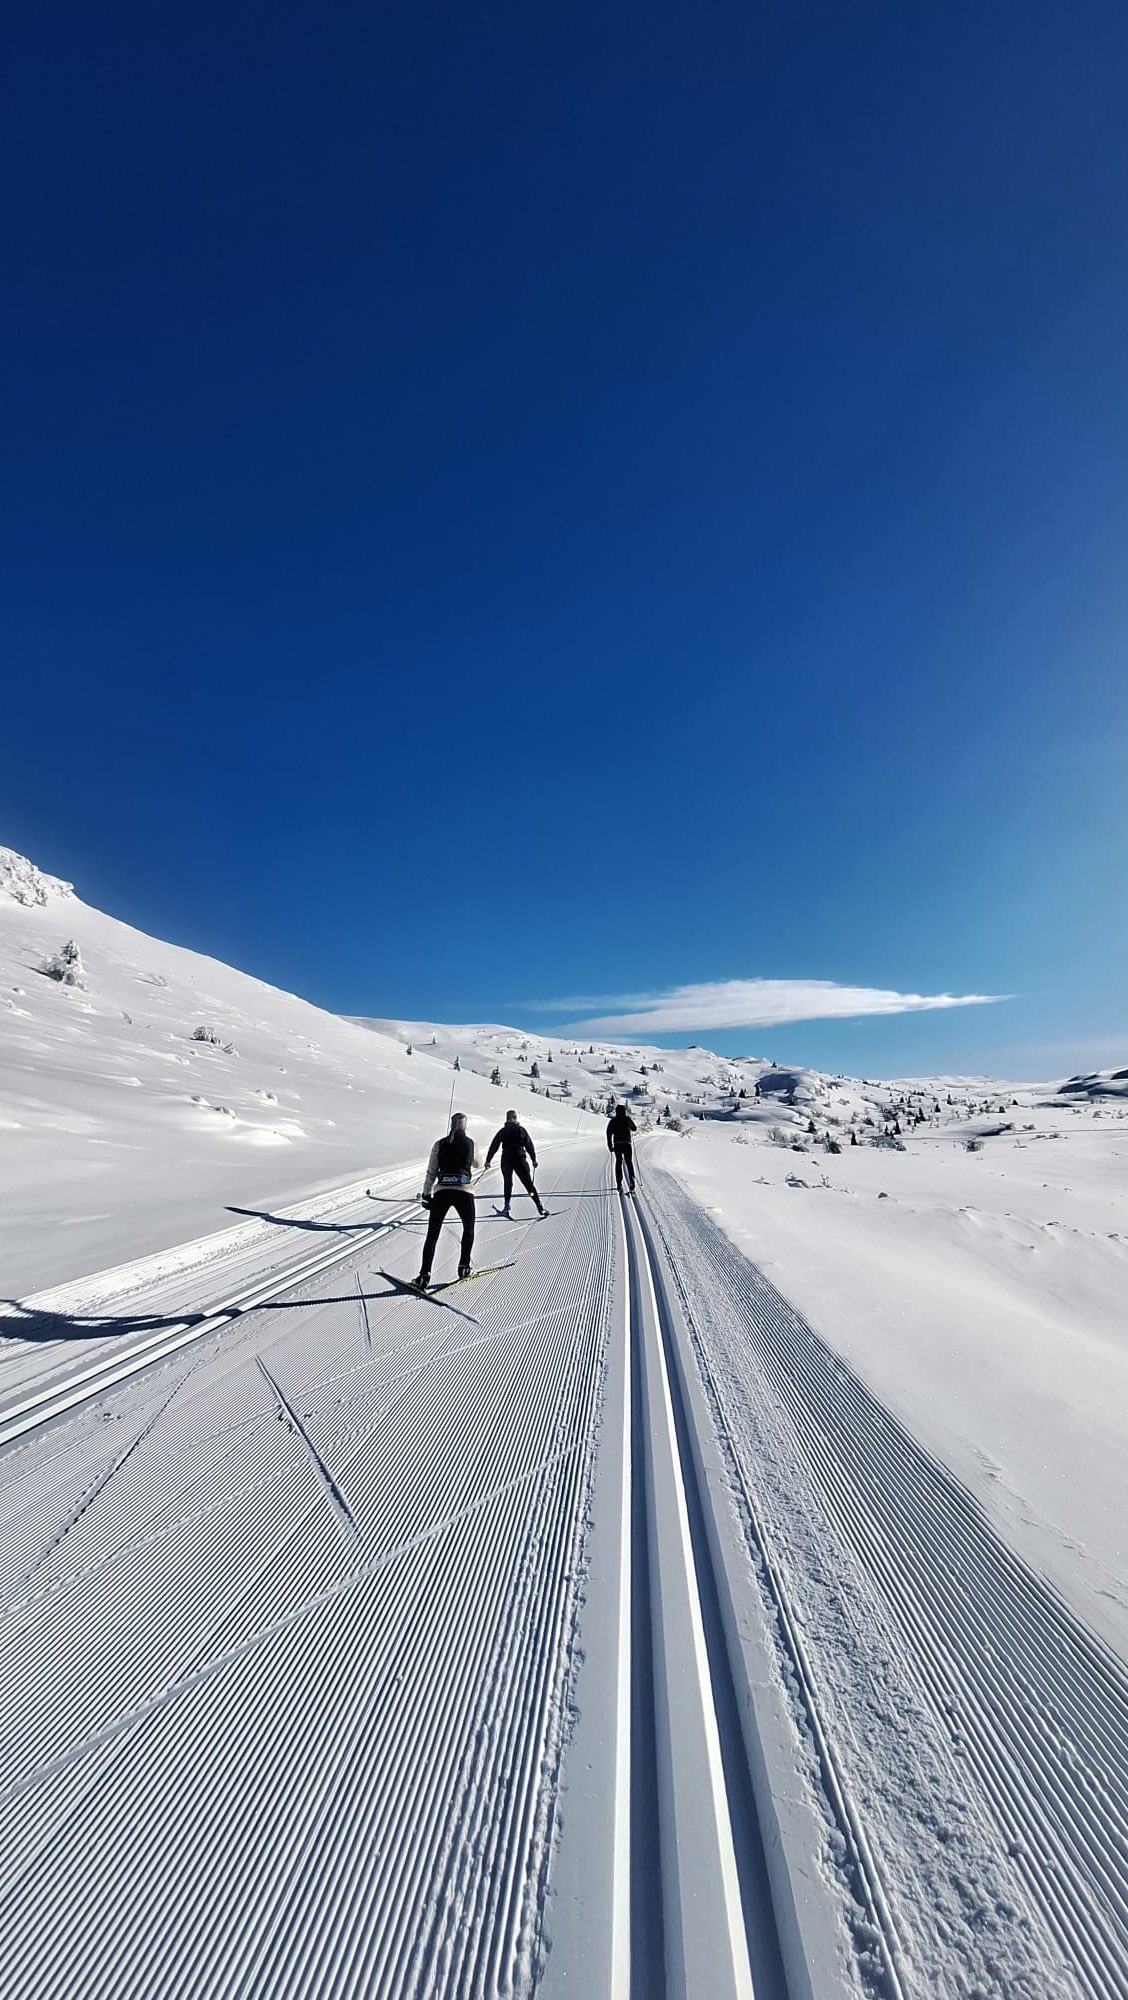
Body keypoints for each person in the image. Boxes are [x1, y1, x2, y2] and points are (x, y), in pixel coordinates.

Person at [414, 1112, 479, 1288]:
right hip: (464, 1191)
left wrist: (427, 1193)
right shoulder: (470, 1143)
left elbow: (431, 1171)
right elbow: (478, 1163)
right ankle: (464, 1266)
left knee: (433, 1234)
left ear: (451, 1124)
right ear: (465, 1125)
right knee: (469, 1228)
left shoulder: (440, 1144)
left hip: (442, 1191)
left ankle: (424, 1275)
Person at [485, 1109, 545, 1217]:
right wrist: (534, 1159)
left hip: (506, 1160)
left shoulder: (502, 1131)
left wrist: (488, 1160)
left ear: (507, 1119)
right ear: (516, 1118)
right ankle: (539, 1206)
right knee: (528, 1184)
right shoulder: (521, 1130)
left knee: (508, 1183)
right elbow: (529, 1146)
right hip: (520, 1159)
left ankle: (507, 1206)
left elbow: (494, 1146)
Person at [607, 1103, 637, 1192]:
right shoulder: (627, 1119)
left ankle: (619, 1183)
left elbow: (608, 1133)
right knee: (629, 1162)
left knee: (619, 1162)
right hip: (627, 1144)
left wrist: (610, 1145)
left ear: (616, 1111)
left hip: (617, 1144)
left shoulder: (613, 1121)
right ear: (624, 1111)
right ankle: (632, 1180)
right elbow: (634, 1128)